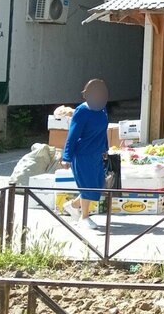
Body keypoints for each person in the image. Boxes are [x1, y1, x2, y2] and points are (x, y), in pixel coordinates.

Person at [60, 79, 110, 230]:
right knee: (88, 186)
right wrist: (66, 157)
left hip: (96, 153)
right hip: (82, 154)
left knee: (98, 185)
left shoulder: (102, 109)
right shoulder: (82, 111)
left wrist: (105, 149)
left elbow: (103, 131)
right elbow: (73, 135)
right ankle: (84, 217)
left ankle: (72, 205)